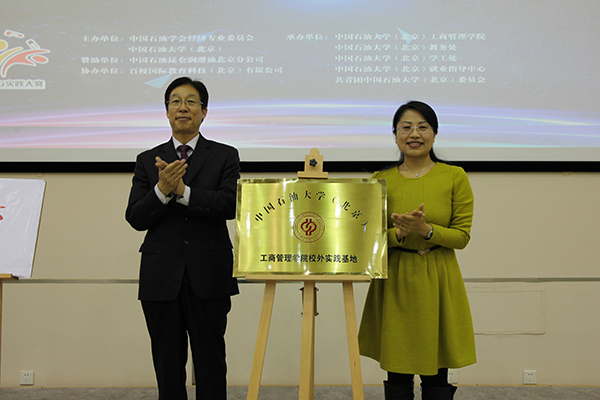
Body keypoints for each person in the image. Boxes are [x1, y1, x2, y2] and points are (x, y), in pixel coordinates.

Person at [125, 76, 240, 400]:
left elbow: (230, 204)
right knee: (167, 362)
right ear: (166, 112)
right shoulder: (148, 160)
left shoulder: (225, 155)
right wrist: (161, 191)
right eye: (175, 101)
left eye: (191, 101)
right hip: (161, 275)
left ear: (204, 112)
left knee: (210, 361)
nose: (182, 108)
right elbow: (135, 217)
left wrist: (184, 192)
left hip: (209, 271)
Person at [358, 101, 476, 400]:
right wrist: (398, 233)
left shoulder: (454, 176)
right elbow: (367, 239)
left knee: (436, 368)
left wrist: (427, 230)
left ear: (434, 134)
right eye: (406, 127)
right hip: (395, 278)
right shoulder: (380, 179)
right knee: (397, 365)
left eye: (423, 127)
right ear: (395, 134)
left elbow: (462, 236)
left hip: (438, 277)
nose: (414, 134)